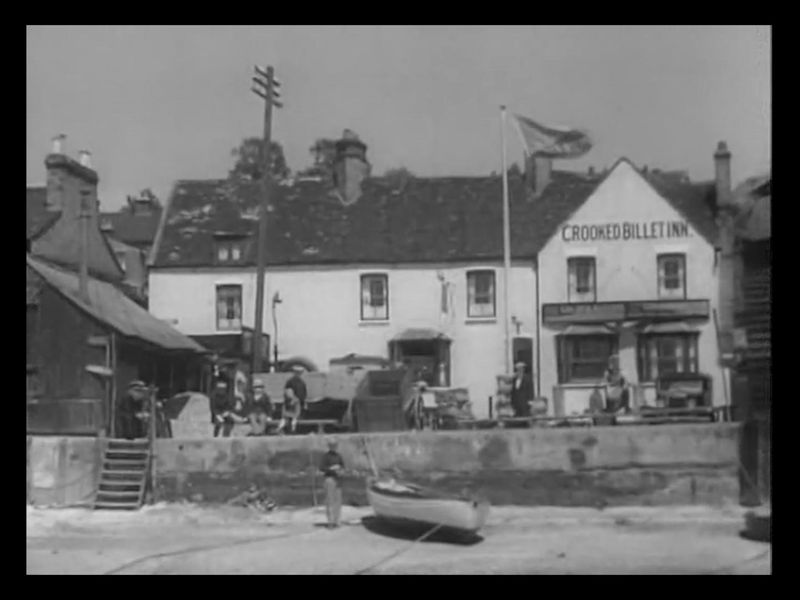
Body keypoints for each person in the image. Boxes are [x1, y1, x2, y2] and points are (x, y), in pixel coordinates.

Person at [319, 438, 345, 529]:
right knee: (329, 501)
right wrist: (331, 468)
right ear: (329, 446)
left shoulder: (339, 456)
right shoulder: (326, 456)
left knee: (338, 501)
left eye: (335, 445)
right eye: (332, 445)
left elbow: (343, 466)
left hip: (338, 479)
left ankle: (337, 521)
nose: (334, 446)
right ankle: (330, 522)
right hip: (329, 479)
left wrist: (341, 471)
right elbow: (321, 468)